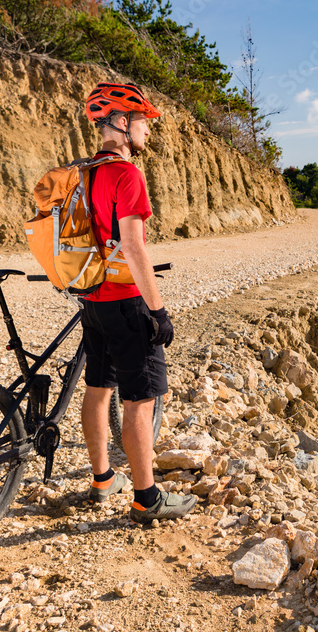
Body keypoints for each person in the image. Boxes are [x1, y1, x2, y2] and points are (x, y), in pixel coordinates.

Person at [79, 82, 197, 523]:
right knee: (139, 400)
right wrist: (157, 309)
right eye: (143, 122)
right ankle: (147, 499)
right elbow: (133, 245)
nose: (148, 130)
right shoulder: (126, 174)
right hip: (126, 301)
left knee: (96, 387)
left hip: (92, 297)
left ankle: (103, 479)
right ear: (123, 124)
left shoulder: (87, 171)